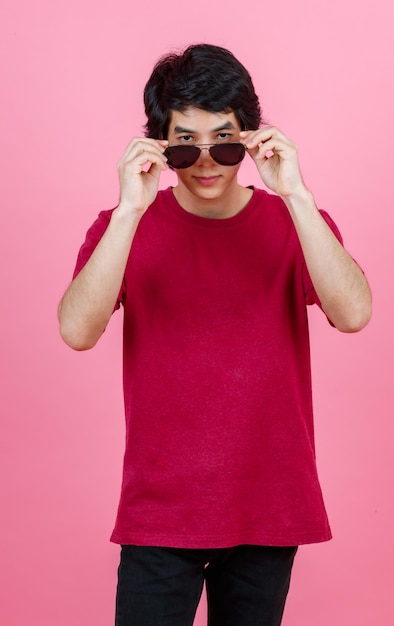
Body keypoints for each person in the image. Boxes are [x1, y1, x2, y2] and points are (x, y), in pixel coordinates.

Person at [58, 43, 372, 626]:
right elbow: (77, 330)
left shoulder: (294, 223)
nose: (207, 162)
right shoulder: (121, 228)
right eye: (185, 144)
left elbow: (353, 313)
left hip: (269, 506)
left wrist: (297, 195)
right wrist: (129, 210)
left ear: (252, 139)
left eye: (225, 142)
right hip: (160, 511)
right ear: (159, 142)